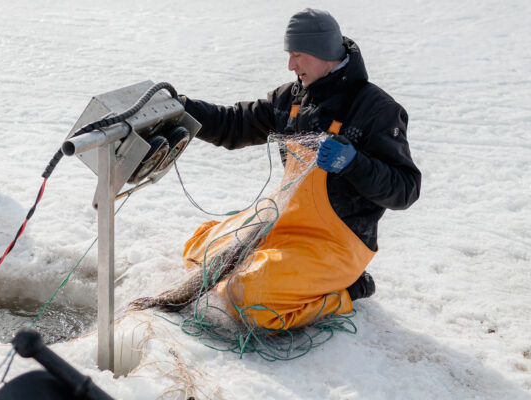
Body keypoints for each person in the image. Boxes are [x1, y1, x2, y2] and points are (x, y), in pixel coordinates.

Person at [177, 8, 421, 330]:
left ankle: (348, 290)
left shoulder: (376, 109)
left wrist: (353, 163)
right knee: (200, 252)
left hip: (338, 243)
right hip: (286, 220)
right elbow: (234, 124)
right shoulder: (292, 98)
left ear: (323, 53)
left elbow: (405, 189)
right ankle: (289, 273)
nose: (291, 65)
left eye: (297, 55)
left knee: (246, 296)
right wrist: (181, 109)